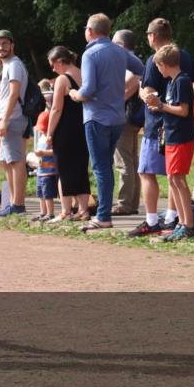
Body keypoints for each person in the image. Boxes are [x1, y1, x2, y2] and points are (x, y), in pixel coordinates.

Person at [128, 18, 194, 238]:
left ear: (152, 36)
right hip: (172, 126)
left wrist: (158, 103)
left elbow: (148, 93)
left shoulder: (157, 60)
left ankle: (156, 220)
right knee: (173, 176)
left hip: (160, 127)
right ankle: (173, 218)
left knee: (148, 172)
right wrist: (187, 103)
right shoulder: (184, 56)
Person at [69, 14, 145, 231]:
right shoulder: (119, 51)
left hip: (96, 117)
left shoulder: (90, 53)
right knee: (108, 167)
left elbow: (88, 89)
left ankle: (103, 216)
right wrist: (121, 88)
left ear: (90, 31)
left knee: (101, 168)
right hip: (118, 118)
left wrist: (75, 94)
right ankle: (105, 212)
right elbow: (140, 68)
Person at [150, 45, 194, 241]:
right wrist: (158, 106)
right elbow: (171, 107)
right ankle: (181, 222)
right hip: (171, 135)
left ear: (164, 64)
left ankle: (188, 224)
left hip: (181, 136)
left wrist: (161, 105)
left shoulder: (182, 81)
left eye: (158, 66)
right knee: (172, 178)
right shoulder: (171, 82)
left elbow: (183, 111)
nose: (158, 70)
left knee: (178, 179)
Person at [46, 46, 90, 221]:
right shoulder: (85, 74)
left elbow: (56, 108)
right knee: (81, 169)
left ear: (59, 61)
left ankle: (65, 211)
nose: (52, 69)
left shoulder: (62, 79)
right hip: (83, 127)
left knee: (63, 169)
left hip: (65, 129)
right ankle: (83, 210)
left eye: (52, 65)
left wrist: (49, 133)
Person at [0, 30, 29, 217]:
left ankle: (18, 204)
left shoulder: (14, 65)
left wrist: (5, 120)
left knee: (15, 161)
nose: (1, 47)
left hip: (13, 119)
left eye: (5, 43)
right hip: (8, 118)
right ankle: (12, 202)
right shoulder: (7, 65)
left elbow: (14, 94)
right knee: (6, 161)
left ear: (12, 45)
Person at [111, 29, 142, 216]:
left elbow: (123, 90)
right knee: (131, 161)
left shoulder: (128, 63)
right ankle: (132, 203)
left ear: (121, 45)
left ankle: (124, 204)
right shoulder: (135, 61)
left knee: (123, 162)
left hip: (123, 117)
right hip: (132, 117)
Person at [30, 108, 58, 222]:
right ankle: (43, 212)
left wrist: (43, 153)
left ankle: (50, 213)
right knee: (40, 194)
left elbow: (54, 152)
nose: (42, 132)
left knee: (48, 194)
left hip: (49, 172)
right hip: (40, 172)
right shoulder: (41, 138)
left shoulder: (51, 138)